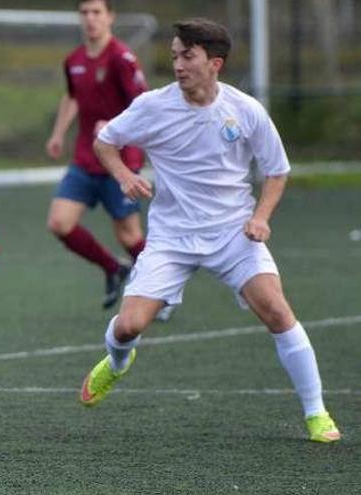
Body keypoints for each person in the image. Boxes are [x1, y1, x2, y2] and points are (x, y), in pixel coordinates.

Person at [79, 18, 340, 443]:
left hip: (231, 234)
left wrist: (261, 218)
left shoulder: (246, 110)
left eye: (188, 56)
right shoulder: (153, 106)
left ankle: (316, 413)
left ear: (214, 63)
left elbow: (277, 172)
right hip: (171, 237)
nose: (178, 65)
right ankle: (118, 361)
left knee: (276, 310)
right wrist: (125, 174)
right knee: (128, 327)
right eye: (175, 56)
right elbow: (105, 141)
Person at [45, 0, 153, 312]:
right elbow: (73, 96)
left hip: (121, 162)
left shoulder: (122, 58)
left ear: (110, 17)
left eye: (97, 13)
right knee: (59, 223)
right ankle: (114, 268)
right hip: (85, 158)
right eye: (85, 13)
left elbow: (143, 105)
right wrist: (58, 133)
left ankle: (161, 288)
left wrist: (117, 127)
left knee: (130, 236)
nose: (90, 19)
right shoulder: (74, 59)